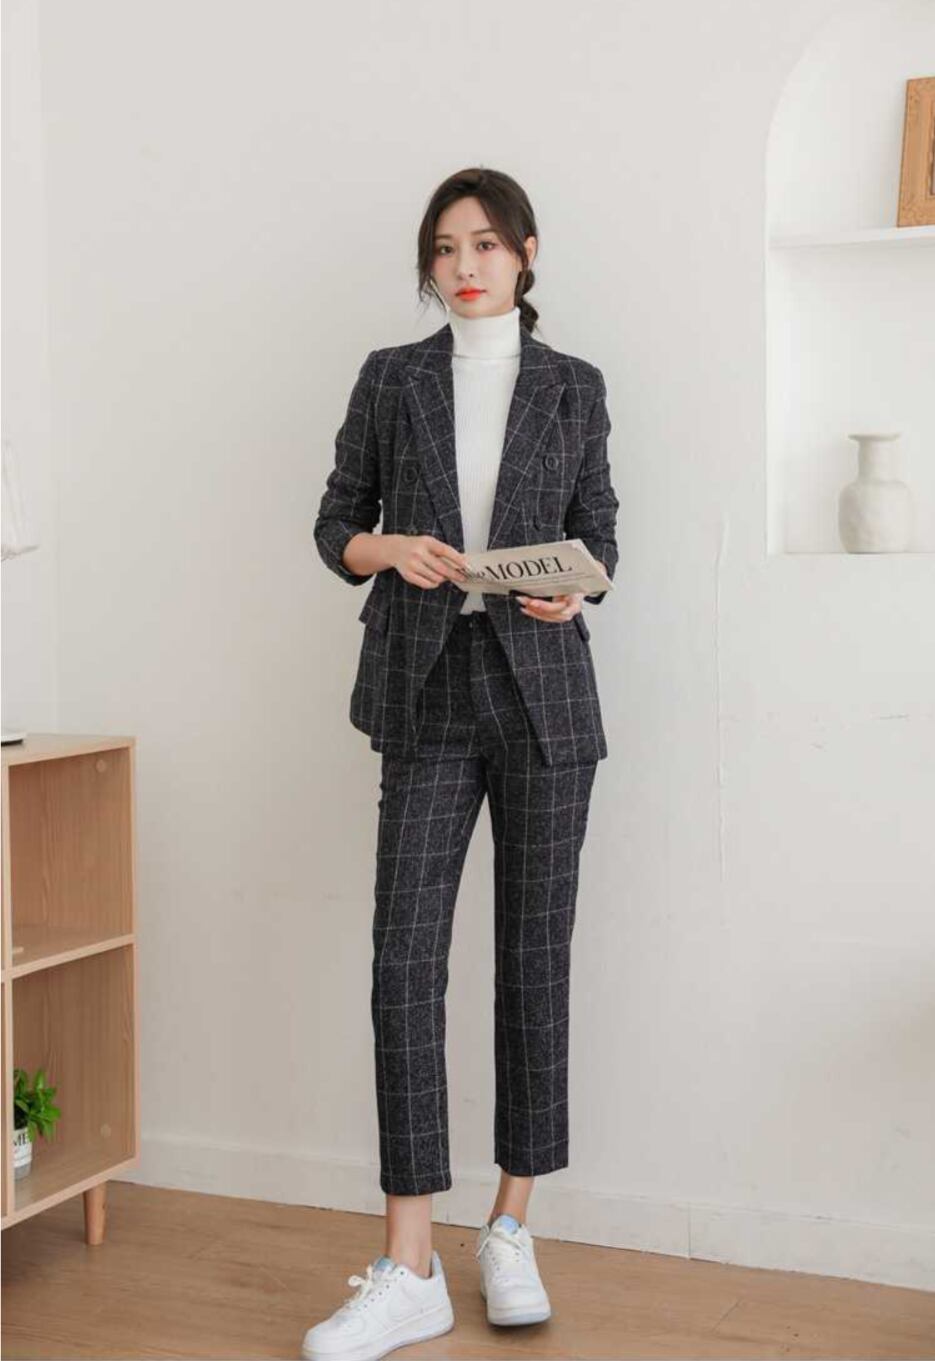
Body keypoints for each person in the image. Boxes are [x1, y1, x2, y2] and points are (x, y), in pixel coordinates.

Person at [302, 166, 619, 1361]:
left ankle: (510, 1223)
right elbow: (334, 523)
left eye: (484, 243)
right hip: (426, 687)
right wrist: (390, 548)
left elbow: (601, 533)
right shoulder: (390, 377)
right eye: (444, 247)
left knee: (533, 960)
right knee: (403, 961)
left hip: (543, 699)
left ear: (525, 253)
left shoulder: (573, 385)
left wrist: (572, 586)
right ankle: (409, 1261)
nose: (464, 264)